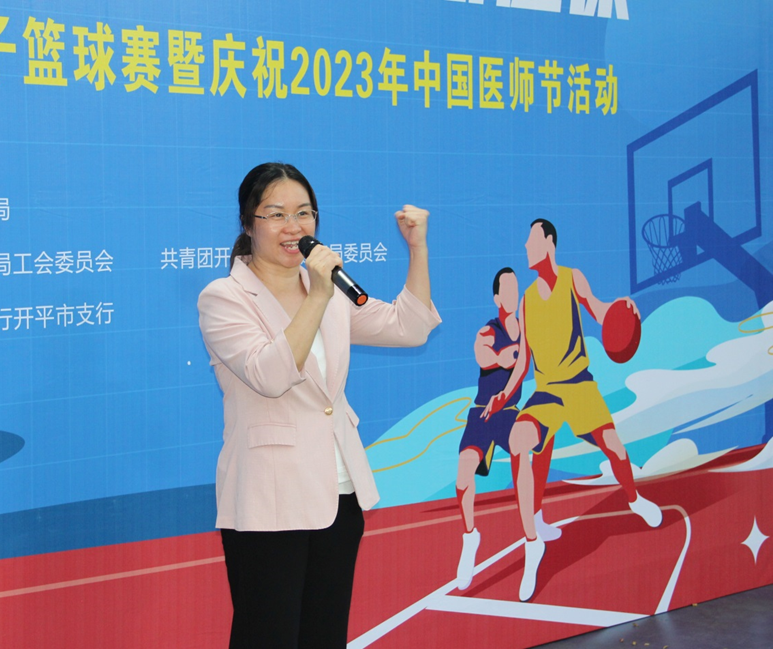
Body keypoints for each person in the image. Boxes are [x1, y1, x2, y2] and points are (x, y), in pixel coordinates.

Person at [197, 162, 440, 649]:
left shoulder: (326, 292)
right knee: (267, 637)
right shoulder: (225, 298)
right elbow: (270, 375)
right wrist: (318, 295)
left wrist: (417, 249)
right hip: (269, 502)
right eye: (276, 214)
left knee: (325, 636)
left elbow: (408, 328)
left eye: (304, 213)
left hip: (337, 491)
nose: (294, 227)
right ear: (248, 223)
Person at [486, 218, 662, 602]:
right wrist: (504, 395)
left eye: (532, 238)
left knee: (616, 448)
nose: (526, 245)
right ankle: (533, 540)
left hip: (580, 385)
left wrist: (621, 308)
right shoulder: (527, 300)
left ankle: (634, 499)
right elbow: (523, 361)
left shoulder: (572, 278)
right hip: (547, 392)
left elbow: (599, 310)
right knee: (519, 441)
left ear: (549, 242)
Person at [454, 268, 561, 590]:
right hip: (482, 413)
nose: (513, 294)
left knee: (527, 450)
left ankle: (532, 537)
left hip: (509, 413)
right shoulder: (488, 331)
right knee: (464, 473)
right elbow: (484, 354)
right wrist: (502, 357)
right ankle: (470, 537)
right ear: (497, 298)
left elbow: (533, 356)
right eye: (507, 289)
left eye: (516, 288)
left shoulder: (528, 330)